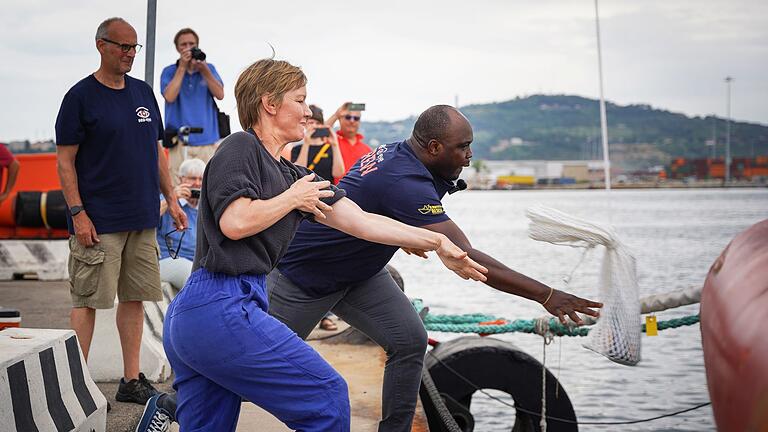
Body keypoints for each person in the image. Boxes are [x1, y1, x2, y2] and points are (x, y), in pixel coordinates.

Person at [157, 59, 486, 432]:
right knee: (327, 395)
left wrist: (437, 241)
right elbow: (235, 223)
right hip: (217, 304)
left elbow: (361, 222)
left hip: (219, 311)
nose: (308, 112)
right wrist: (292, 199)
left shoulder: (295, 176)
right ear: (269, 104)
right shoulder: (241, 147)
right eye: (299, 100)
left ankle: (162, 408)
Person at [266, 105, 604, 431]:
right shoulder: (405, 181)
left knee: (410, 340)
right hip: (303, 277)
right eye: (463, 147)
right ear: (433, 147)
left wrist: (404, 235)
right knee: (255, 362)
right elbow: (464, 254)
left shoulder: (399, 153)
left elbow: (371, 201)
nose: (469, 155)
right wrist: (546, 294)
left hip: (359, 274)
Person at [55, 17, 187, 406]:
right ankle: (76, 387)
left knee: (135, 298)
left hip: (143, 218)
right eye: (123, 47)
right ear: (101, 45)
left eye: (134, 48)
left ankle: (131, 380)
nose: (130, 54)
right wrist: (78, 213)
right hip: (98, 220)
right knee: (87, 301)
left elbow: (157, 153)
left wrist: (172, 201)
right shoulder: (80, 97)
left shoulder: (144, 93)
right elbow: (65, 162)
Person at [290, 104, 344, 330]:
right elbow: (295, 171)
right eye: (308, 124)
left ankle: (325, 314)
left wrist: (333, 143)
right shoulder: (295, 149)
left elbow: (339, 172)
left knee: (326, 259)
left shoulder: (330, 148)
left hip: (325, 207)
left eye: (316, 125)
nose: (311, 128)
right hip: (302, 207)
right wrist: (307, 144)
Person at [161, 28, 224, 183]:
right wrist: (182, 67)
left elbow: (220, 94)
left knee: (207, 184)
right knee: (178, 184)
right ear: (177, 48)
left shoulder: (209, 69)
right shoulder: (170, 71)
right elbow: (169, 96)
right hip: (179, 140)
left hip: (207, 140)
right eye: (184, 45)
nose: (188, 48)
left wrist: (204, 70)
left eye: (192, 44)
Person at [157, 158, 205, 292]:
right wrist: (172, 199)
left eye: (201, 179)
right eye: (192, 179)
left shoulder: (205, 207)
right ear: (181, 179)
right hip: (168, 259)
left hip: (197, 261)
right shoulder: (167, 201)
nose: (197, 183)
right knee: (192, 274)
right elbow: (148, 217)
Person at [326, 102, 370, 180]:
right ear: (340, 119)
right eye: (348, 117)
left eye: (356, 118)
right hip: (335, 190)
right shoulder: (332, 141)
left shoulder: (367, 150)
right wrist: (336, 115)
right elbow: (320, 132)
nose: (352, 121)